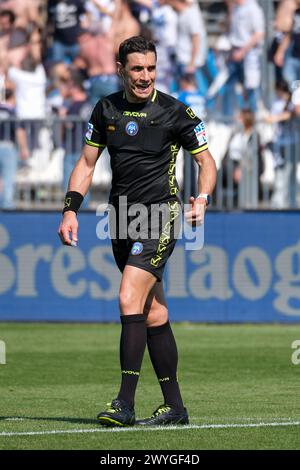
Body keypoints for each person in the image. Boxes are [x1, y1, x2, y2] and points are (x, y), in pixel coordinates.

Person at [58, 36, 217, 427]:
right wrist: (69, 210)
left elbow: (207, 163)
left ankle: (124, 403)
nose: (145, 77)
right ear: (121, 69)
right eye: (137, 69)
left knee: (129, 296)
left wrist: (202, 198)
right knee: (153, 311)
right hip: (121, 220)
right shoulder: (106, 108)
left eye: (150, 68)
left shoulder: (176, 112)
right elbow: (85, 163)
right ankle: (175, 408)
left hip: (160, 217)